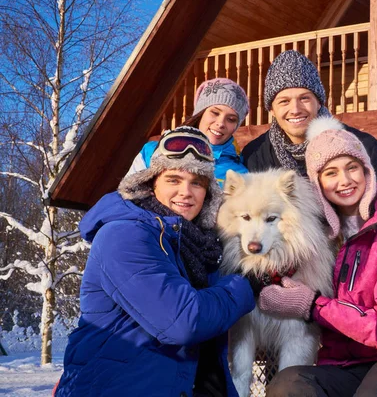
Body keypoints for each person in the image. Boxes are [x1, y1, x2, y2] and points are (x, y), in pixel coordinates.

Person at [55, 127, 255, 397]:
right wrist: (248, 285)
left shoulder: (204, 245)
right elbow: (183, 322)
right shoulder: (124, 234)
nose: (186, 192)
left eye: (197, 182)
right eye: (173, 179)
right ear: (151, 183)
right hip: (122, 386)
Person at [257, 117, 377, 397]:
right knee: (288, 385)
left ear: (366, 170)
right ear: (318, 183)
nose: (344, 181)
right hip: (343, 365)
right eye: (330, 173)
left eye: (351, 168)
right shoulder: (320, 237)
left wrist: (313, 305)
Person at [241, 49, 377, 195]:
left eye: (304, 98)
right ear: (272, 110)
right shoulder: (255, 155)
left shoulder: (362, 145)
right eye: (284, 101)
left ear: (319, 102)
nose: (295, 109)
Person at [127, 78, 250, 188]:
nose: (221, 123)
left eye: (231, 119)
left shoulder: (239, 175)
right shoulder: (153, 152)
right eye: (215, 113)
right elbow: (125, 200)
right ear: (200, 114)